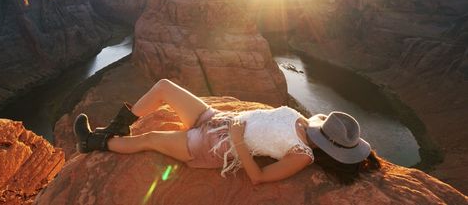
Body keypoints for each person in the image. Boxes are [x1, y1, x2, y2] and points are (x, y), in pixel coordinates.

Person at [74, 79, 381, 185]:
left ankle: (93, 142)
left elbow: (258, 179)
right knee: (164, 87)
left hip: (213, 144)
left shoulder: (302, 156)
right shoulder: (310, 121)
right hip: (216, 117)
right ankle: (116, 126)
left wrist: (236, 140)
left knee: (149, 140)